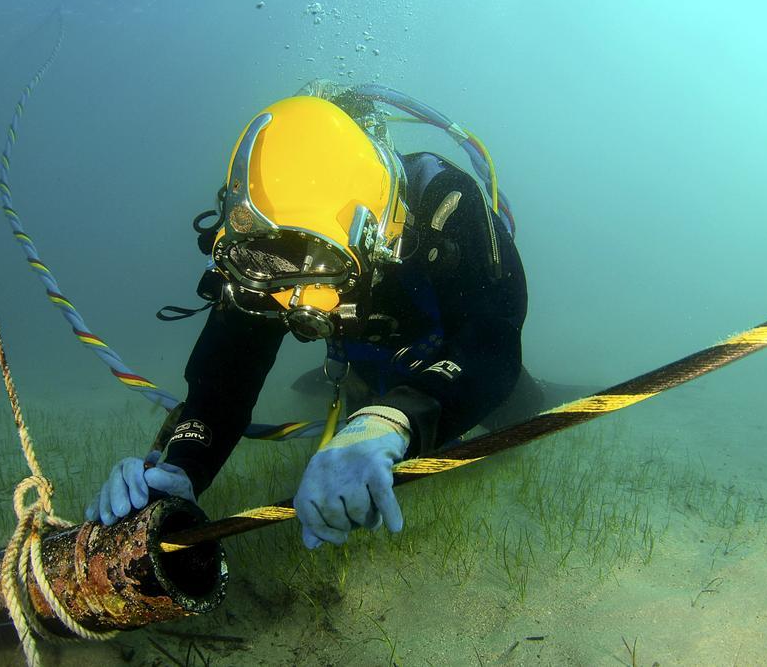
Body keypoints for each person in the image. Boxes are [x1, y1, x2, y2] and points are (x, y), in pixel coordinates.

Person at [86, 82, 542, 548]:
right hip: (364, 360)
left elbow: (492, 343)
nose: (292, 300)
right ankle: (363, 399)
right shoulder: (264, 247)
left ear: (380, 233)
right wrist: (181, 466)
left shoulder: (447, 203)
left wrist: (392, 420)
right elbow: (225, 378)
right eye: (267, 264)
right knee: (359, 401)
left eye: (318, 263)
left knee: (523, 415)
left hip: (451, 352)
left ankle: (385, 406)